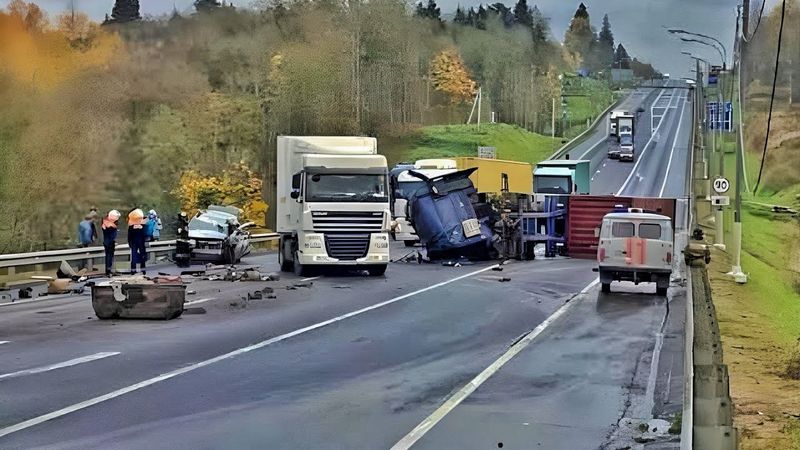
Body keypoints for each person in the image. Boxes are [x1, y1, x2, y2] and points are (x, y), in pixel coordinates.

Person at [127, 208, 147, 274]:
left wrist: (129, 243)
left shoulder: (131, 225)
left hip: (133, 242)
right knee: (142, 255)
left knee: (134, 256)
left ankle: (133, 270)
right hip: (141, 241)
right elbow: (144, 234)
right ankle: (143, 269)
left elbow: (129, 235)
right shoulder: (142, 225)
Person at [102, 210, 121, 277]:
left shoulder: (106, 223)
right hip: (109, 242)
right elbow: (110, 233)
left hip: (109, 241)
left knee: (110, 257)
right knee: (109, 257)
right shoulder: (109, 225)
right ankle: (108, 271)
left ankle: (110, 270)